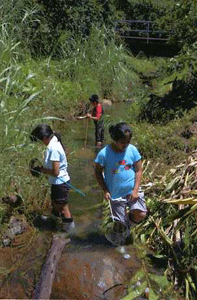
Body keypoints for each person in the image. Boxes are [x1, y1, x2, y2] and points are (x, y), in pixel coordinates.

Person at [94, 122, 147, 240]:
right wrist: (105, 190)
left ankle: (126, 226)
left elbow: (139, 170)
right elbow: (98, 172)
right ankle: (119, 242)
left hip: (131, 190)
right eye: (122, 142)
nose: (125, 145)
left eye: (128, 142)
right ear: (114, 139)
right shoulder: (104, 154)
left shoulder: (132, 150)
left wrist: (135, 190)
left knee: (141, 213)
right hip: (115, 194)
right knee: (119, 226)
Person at [30, 123, 75, 233]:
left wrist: (41, 170)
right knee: (55, 203)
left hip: (60, 182)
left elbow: (56, 172)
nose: (41, 143)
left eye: (40, 141)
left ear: (45, 138)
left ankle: (69, 232)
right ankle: (54, 223)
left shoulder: (53, 149)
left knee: (63, 208)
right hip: (58, 182)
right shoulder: (54, 140)